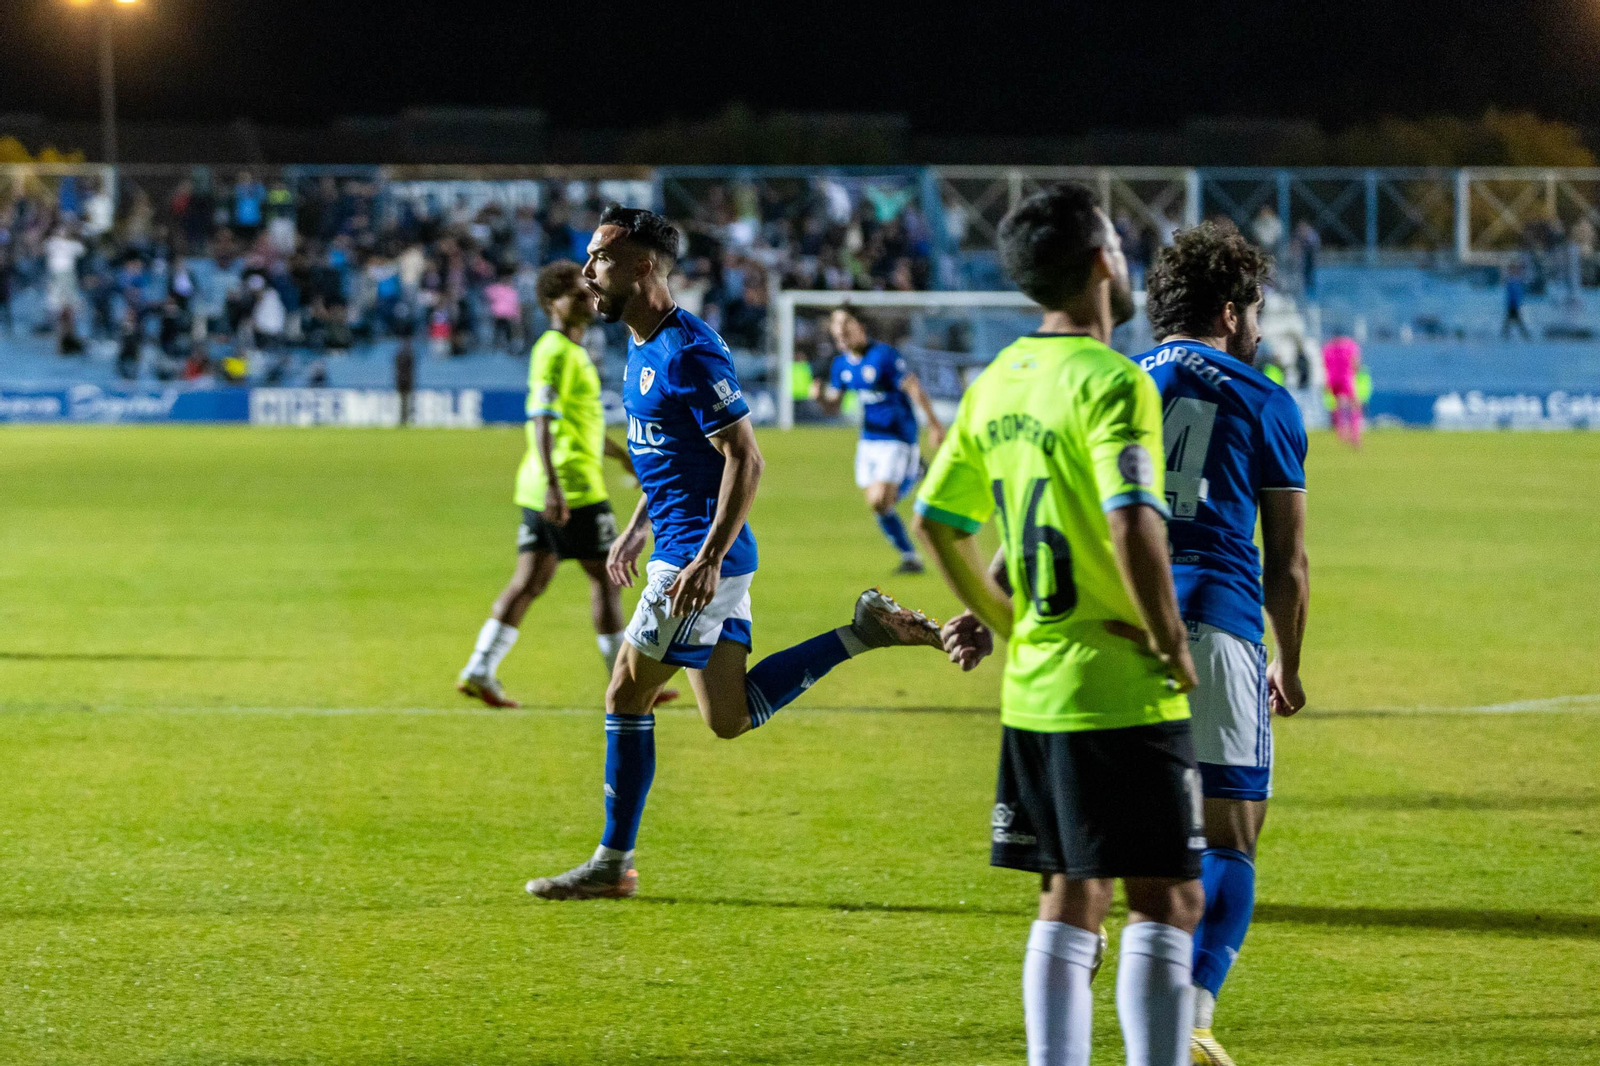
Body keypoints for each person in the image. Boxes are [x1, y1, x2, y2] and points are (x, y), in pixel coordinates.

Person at [526, 205, 947, 902]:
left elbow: (745, 459)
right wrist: (638, 525)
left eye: (597, 259)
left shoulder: (689, 350)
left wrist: (708, 558)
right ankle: (861, 632)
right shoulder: (640, 343)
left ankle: (612, 862)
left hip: (698, 557)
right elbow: (670, 456)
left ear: (642, 266)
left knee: (627, 693)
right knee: (728, 716)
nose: (586, 272)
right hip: (687, 545)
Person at [913, 182, 1205, 1066]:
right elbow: (1131, 522)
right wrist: (1169, 638)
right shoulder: (1114, 381)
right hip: (1120, 684)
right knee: (1166, 901)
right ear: (1099, 263)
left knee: (1069, 894)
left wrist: (1007, 618)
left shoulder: (997, 378)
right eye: (1116, 242)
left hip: (1035, 688)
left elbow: (936, 518)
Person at [1134, 222, 1311, 1066]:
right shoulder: (1262, 396)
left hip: (1113, 624)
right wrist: (1292, 660)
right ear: (1232, 312)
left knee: (1120, 849)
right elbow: (1290, 562)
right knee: (1230, 836)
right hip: (1214, 619)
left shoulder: (1114, 382)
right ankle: (1194, 1013)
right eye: (1257, 311)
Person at [457, 261, 655, 708]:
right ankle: (625, 681)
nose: (588, 298)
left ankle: (479, 668)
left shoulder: (571, 351)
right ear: (552, 304)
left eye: (588, 291)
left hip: (551, 485)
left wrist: (622, 456)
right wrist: (554, 486)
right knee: (607, 580)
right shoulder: (553, 351)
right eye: (576, 294)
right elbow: (541, 420)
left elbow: (577, 425)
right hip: (572, 489)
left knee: (530, 582)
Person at [810, 306, 946, 573]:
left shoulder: (884, 355)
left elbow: (914, 388)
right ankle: (910, 557)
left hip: (899, 437)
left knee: (880, 500)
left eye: (845, 325)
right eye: (837, 330)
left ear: (860, 326)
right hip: (869, 441)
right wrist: (819, 398)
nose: (841, 334)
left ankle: (915, 468)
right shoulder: (842, 365)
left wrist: (934, 424)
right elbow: (834, 407)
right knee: (878, 503)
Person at [1320, 334, 1363, 447]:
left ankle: (1341, 432)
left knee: (1338, 405)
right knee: (1354, 404)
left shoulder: (1327, 348)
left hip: (1332, 379)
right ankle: (1355, 435)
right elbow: (1356, 363)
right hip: (1346, 378)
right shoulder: (1350, 346)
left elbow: (1324, 364)